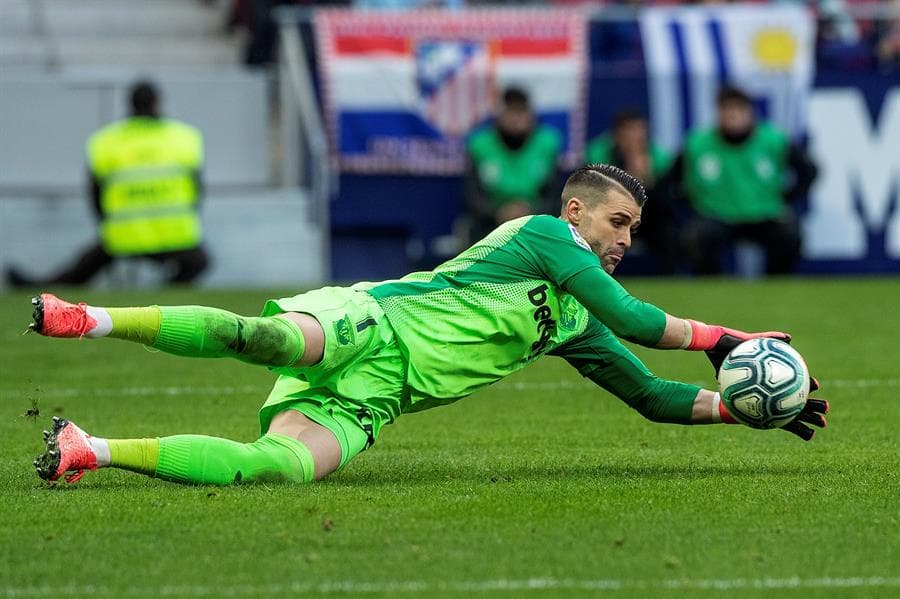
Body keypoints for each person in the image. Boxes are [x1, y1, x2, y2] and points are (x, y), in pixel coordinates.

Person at [28, 164, 828, 487]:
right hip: (370, 321)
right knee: (262, 337)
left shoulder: (574, 317)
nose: (624, 238)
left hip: (379, 397)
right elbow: (639, 318)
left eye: (633, 231)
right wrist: (728, 341)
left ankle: (90, 449)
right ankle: (85, 315)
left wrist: (743, 406)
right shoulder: (542, 238)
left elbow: (651, 393)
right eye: (618, 221)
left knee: (271, 470)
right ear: (576, 209)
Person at [5, 81, 210, 288]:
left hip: (124, 235)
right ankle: (168, 292)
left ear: (130, 104)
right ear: (157, 102)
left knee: (82, 269)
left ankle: (40, 287)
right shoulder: (185, 138)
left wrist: (108, 224)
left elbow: (95, 194)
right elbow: (198, 191)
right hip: (175, 237)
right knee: (201, 262)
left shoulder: (106, 142)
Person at [659, 85, 818, 275]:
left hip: (763, 215)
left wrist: (787, 198)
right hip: (716, 215)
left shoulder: (773, 140)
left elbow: (809, 171)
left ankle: (776, 285)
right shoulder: (698, 144)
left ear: (750, 113)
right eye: (727, 110)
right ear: (718, 113)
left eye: (739, 109)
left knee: (789, 234)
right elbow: (667, 182)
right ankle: (711, 288)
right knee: (696, 237)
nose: (733, 115)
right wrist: (688, 205)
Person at [464, 87, 562, 243]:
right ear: (499, 115)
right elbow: (473, 196)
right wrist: (498, 213)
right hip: (491, 224)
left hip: (537, 223)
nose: (516, 118)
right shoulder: (480, 144)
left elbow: (555, 194)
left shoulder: (547, 143)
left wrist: (530, 212)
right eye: (511, 111)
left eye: (521, 112)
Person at [585, 108, 677, 274]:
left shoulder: (659, 157)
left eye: (639, 130)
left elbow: (665, 202)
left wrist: (647, 181)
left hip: (648, 218)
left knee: (669, 232)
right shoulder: (599, 154)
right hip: (611, 217)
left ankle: (669, 278)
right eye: (629, 131)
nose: (635, 137)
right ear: (617, 134)